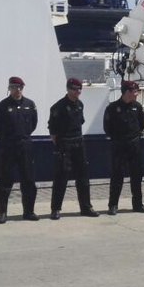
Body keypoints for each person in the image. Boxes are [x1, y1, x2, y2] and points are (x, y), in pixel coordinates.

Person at [0, 76, 39, 223]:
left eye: (19, 87)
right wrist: (6, 140)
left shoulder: (30, 105)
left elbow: (33, 124)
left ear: (22, 88)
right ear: (9, 88)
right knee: (5, 180)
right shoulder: (2, 106)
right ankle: (2, 212)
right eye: (13, 87)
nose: (16, 90)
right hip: (8, 147)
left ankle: (29, 211)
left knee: (28, 180)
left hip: (25, 146)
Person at [48, 78, 98, 219]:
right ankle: (56, 209)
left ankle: (86, 207)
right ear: (68, 89)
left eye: (79, 89)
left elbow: (80, 122)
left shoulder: (80, 105)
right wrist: (61, 145)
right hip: (65, 144)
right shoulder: (58, 107)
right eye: (75, 89)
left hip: (78, 143)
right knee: (61, 178)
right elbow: (53, 132)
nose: (78, 92)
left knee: (83, 178)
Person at [103, 80, 144, 214]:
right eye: (134, 92)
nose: (136, 94)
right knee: (117, 177)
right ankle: (113, 205)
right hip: (119, 146)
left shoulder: (137, 107)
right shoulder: (112, 108)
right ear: (127, 92)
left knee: (136, 177)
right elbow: (107, 128)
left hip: (134, 146)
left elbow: (142, 125)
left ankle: (138, 204)